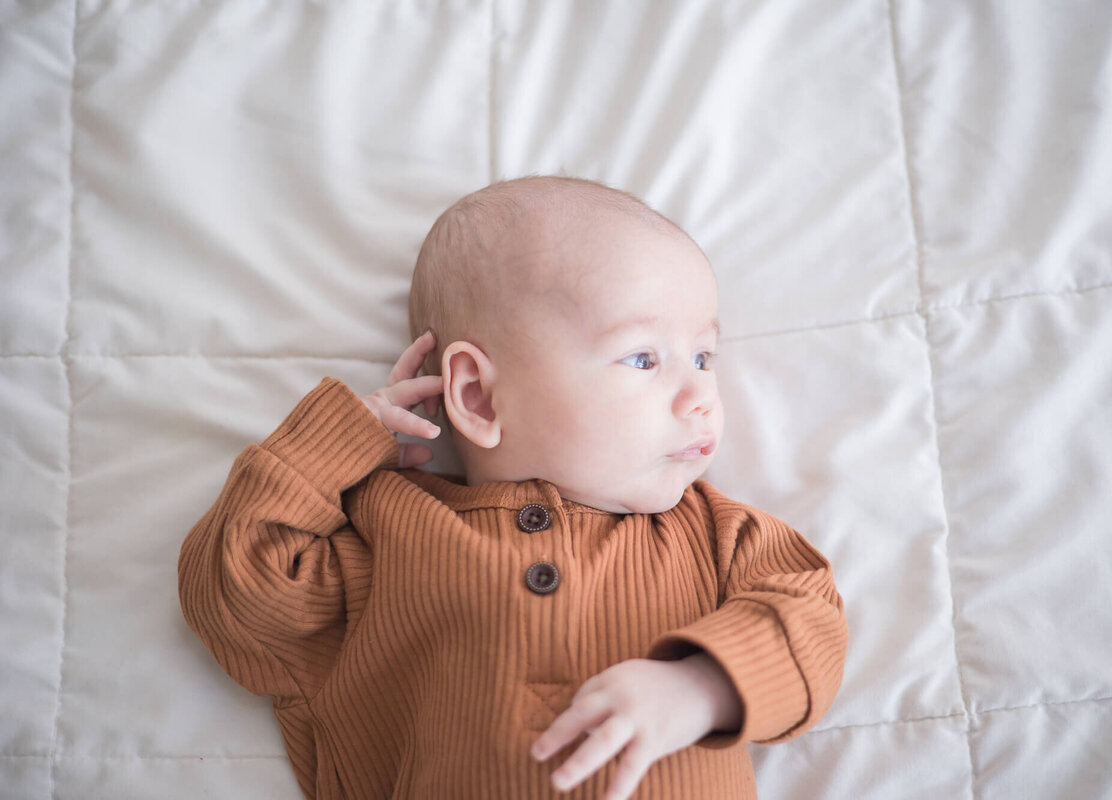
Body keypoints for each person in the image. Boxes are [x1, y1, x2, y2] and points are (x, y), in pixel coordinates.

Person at [179, 176, 848, 799]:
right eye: (644, 357)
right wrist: (340, 441)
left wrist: (701, 689)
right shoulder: (388, 531)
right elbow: (237, 599)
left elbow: (812, 623)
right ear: (479, 396)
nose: (700, 394)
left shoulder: (717, 533)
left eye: (704, 357)